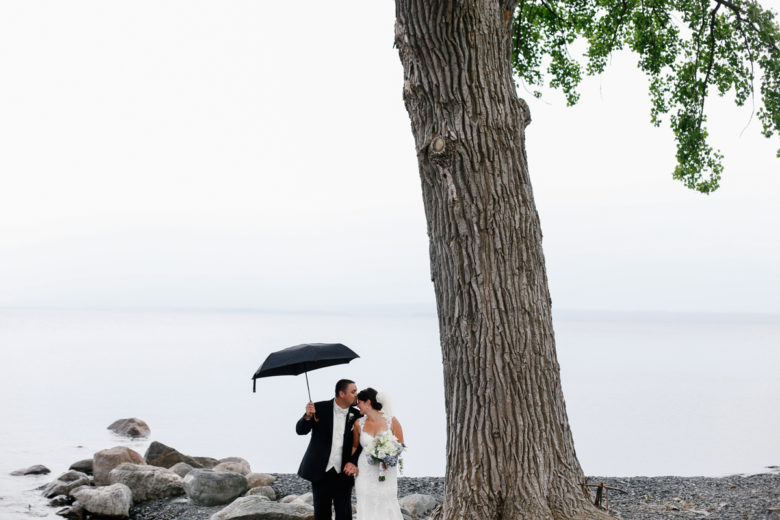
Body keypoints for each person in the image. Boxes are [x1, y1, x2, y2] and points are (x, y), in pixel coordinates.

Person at [296, 379, 362, 520]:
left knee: (344, 514)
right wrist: (307, 416)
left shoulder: (357, 415)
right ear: (341, 393)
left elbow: (360, 445)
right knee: (321, 514)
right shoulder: (318, 408)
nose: (356, 394)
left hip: (343, 472)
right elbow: (301, 430)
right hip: (320, 471)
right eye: (353, 391)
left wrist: (353, 462)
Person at [351, 387, 405, 520]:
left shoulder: (392, 421)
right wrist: (350, 463)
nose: (357, 405)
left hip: (387, 469)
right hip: (365, 469)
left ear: (368, 402)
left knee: (385, 499)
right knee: (365, 498)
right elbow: (354, 447)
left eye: (360, 402)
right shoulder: (359, 423)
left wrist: (388, 457)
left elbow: (401, 445)